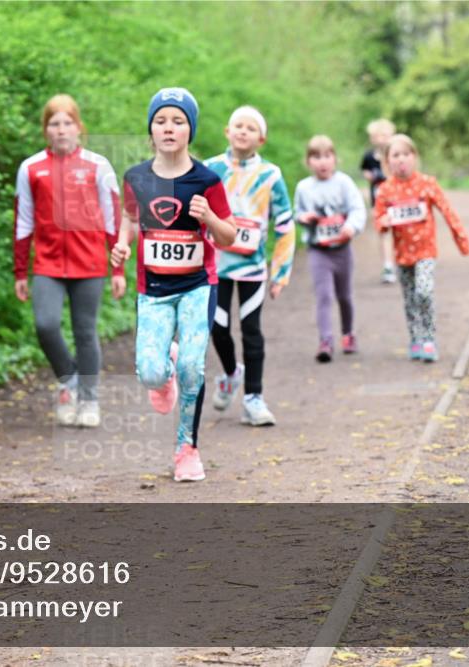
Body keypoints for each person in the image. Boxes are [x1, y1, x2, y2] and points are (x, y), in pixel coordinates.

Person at [111, 87, 235, 482]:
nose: (169, 128)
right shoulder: (136, 178)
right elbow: (130, 219)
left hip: (199, 285)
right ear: (151, 129)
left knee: (193, 368)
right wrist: (120, 248)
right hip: (154, 291)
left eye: (178, 121)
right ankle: (164, 370)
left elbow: (229, 235)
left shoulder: (207, 180)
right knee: (149, 371)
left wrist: (210, 219)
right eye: (161, 120)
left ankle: (187, 449)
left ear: (190, 131)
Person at [13, 94, 124, 429]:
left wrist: (117, 268)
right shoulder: (31, 168)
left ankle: (89, 400)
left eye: (67, 123)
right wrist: (21, 270)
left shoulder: (98, 165)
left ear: (78, 127)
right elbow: (23, 221)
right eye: (54, 123)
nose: (60, 130)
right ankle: (70, 380)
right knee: (45, 325)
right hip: (47, 264)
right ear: (46, 130)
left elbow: (112, 220)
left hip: (89, 263)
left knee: (85, 331)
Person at [204, 105, 295, 425]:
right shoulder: (210, 169)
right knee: (218, 327)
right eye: (237, 126)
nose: (243, 131)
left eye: (250, 128)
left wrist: (281, 271)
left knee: (252, 330)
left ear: (262, 138)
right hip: (216, 264)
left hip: (253, 268)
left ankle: (253, 398)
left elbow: (285, 224)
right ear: (227, 132)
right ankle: (231, 373)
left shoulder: (271, 175)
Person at [373, 134, 469, 362]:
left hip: (425, 251)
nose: (401, 160)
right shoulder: (385, 190)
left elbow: (447, 211)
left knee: (424, 292)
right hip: (402, 254)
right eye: (395, 155)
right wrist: (383, 223)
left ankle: (429, 339)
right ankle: (415, 339)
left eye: (406, 154)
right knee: (410, 299)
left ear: (414, 157)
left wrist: (461, 240)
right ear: (388, 162)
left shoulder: (427, 184)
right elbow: (378, 219)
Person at [294, 135, 366, 363]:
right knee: (323, 296)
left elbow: (357, 209)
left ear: (335, 159)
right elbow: (297, 213)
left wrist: (350, 227)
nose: (322, 162)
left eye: (327, 156)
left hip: (342, 250)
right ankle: (325, 340)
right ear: (308, 162)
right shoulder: (304, 187)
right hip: (318, 251)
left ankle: (348, 334)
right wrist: (305, 217)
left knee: (344, 296)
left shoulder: (344, 183)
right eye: (316, 157)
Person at [361, 118, 397, 284]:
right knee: (383, 232)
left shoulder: (396, 154)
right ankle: (388, 265)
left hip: (397, 200)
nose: (381, 139)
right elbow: (366, 172)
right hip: (379, 200)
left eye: (385, 135)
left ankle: (403, 262)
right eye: (378, 136)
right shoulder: (369, 156)